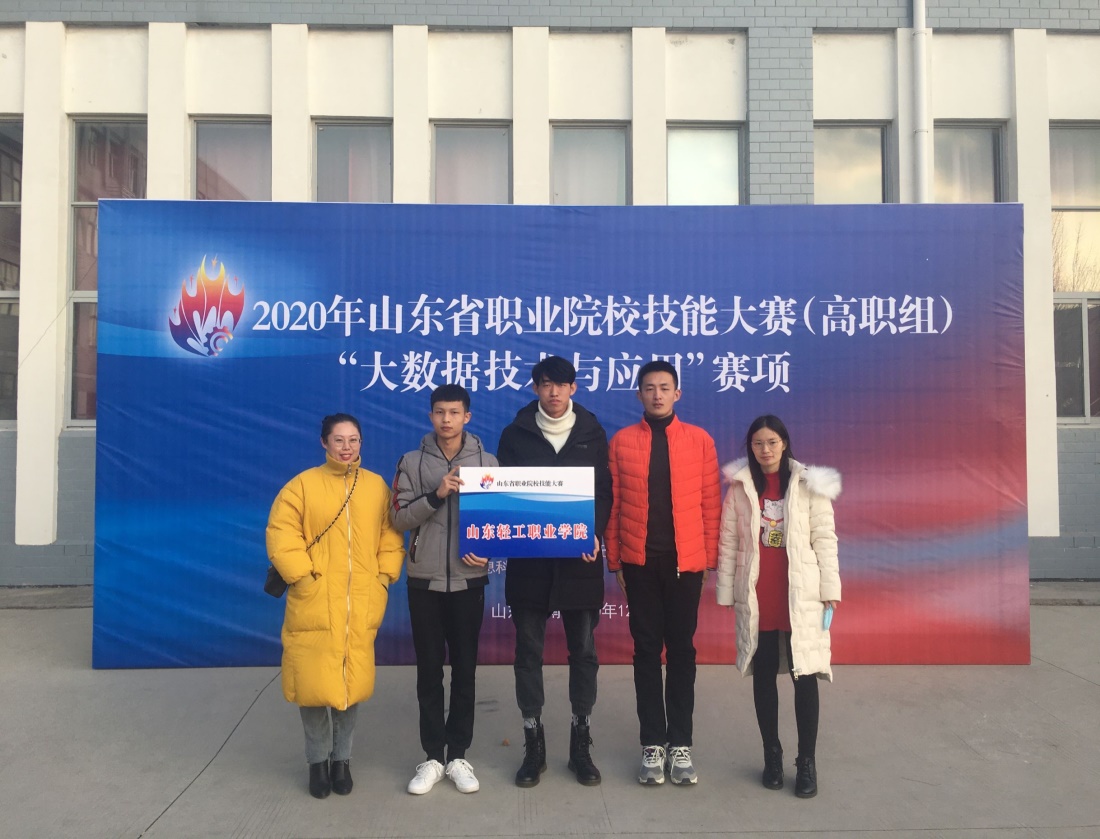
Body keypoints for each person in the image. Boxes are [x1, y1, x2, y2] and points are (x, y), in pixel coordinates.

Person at [266, 413, 405, 799]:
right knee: (313, 687)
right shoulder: (302, 486)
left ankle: (342, 760)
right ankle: (317, 762)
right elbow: (281, 533)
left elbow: (391, 536)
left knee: (349, 684)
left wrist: (382, 578)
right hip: (315, 601)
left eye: (354, 439)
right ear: (324, 442)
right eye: (339, 440)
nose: (347, 447)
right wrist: (303, 578)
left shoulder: (375, 486)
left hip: (361, 600)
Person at [496, 355, 612, 788]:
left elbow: (603, 491)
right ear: (535, 388)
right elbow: (504, 493)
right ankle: (534, 746)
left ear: (573, 389)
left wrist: (594, 532)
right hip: (530, 562)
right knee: (528, 653)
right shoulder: (515, 434)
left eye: (561, 385)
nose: (554, 392)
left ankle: (581, 745)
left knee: (583, 652)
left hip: (579, 561)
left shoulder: (591, 432)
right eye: (546, 384)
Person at [605, 360, 721, 785]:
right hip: (640, 563)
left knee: (682, 651)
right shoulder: (621, 442)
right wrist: (615, 560)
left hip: (685, 564)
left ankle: (681, 744)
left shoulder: (700, 441)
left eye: (665, 387)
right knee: (646, 651)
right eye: (649, 388)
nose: (657, 394)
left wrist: (707, 560)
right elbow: (614, 506)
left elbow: (710, 503)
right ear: (638, 394)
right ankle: (652, 744)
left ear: (677, 394)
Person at [715, 415, 841, 799]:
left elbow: (825, 538)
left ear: (784, 443)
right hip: (759, 595)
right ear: (750, 448)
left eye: (772, 442)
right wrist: (727, 591)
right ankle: (772, 755)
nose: (765, 450)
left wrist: (830, 588)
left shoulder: (808, 484)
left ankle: (806, 762)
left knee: (805, 677)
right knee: (764, 674)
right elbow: (729, 540)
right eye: (758, 443)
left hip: (800, 595)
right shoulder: (741, 487)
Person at [390, 384, 498, 796]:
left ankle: (459, 756)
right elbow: (399, 519)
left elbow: (501, 520)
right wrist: (436, 495)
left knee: (465, 670)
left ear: (467, 416)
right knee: (429, 671)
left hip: (469, 581)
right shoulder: (412, 461)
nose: (447, 419)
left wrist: (489, 549)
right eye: (440, 412)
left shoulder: (488, 462)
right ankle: (433, 757)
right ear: (430, 415)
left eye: (454, 412)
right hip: (425, 581)